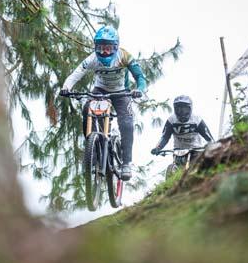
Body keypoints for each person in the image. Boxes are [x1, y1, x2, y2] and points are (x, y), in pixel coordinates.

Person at [60, 25, 147, 181]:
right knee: (87, 108)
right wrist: (66, 87)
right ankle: (93, 148)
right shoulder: (92, 58)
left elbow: (140, 77)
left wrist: (139, 89)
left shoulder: (124, 56)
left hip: (121, 92)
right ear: (96, 47)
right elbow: (76, 74)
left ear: (115, 47)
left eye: (108, 48)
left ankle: (126, 163)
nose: (104, 52)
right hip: (100, 90)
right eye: (100, 48)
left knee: (127, 122)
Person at [150, 95, 214, 159]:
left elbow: (208, 136)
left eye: (184, 109)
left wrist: (212, 145)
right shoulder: (171, 120)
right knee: (174, 167)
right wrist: (158, 148)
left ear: (190, 109)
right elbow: (165, 137)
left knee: (199, 166)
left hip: (195, 150)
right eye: (178, 109)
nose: (182, 112)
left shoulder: (197, 120)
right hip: (178, 151)